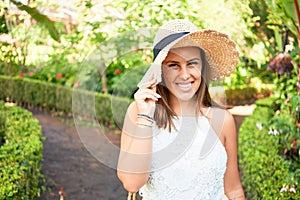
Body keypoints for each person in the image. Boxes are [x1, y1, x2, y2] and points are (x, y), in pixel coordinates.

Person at [117, 19, 245, 200]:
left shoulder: (222, 119)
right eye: (173, 65)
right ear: (160, 71)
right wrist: (145, 115)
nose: (185, 74)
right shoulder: (139, 112)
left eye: (192, 63)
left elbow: (233, 189)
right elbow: (132, 183)